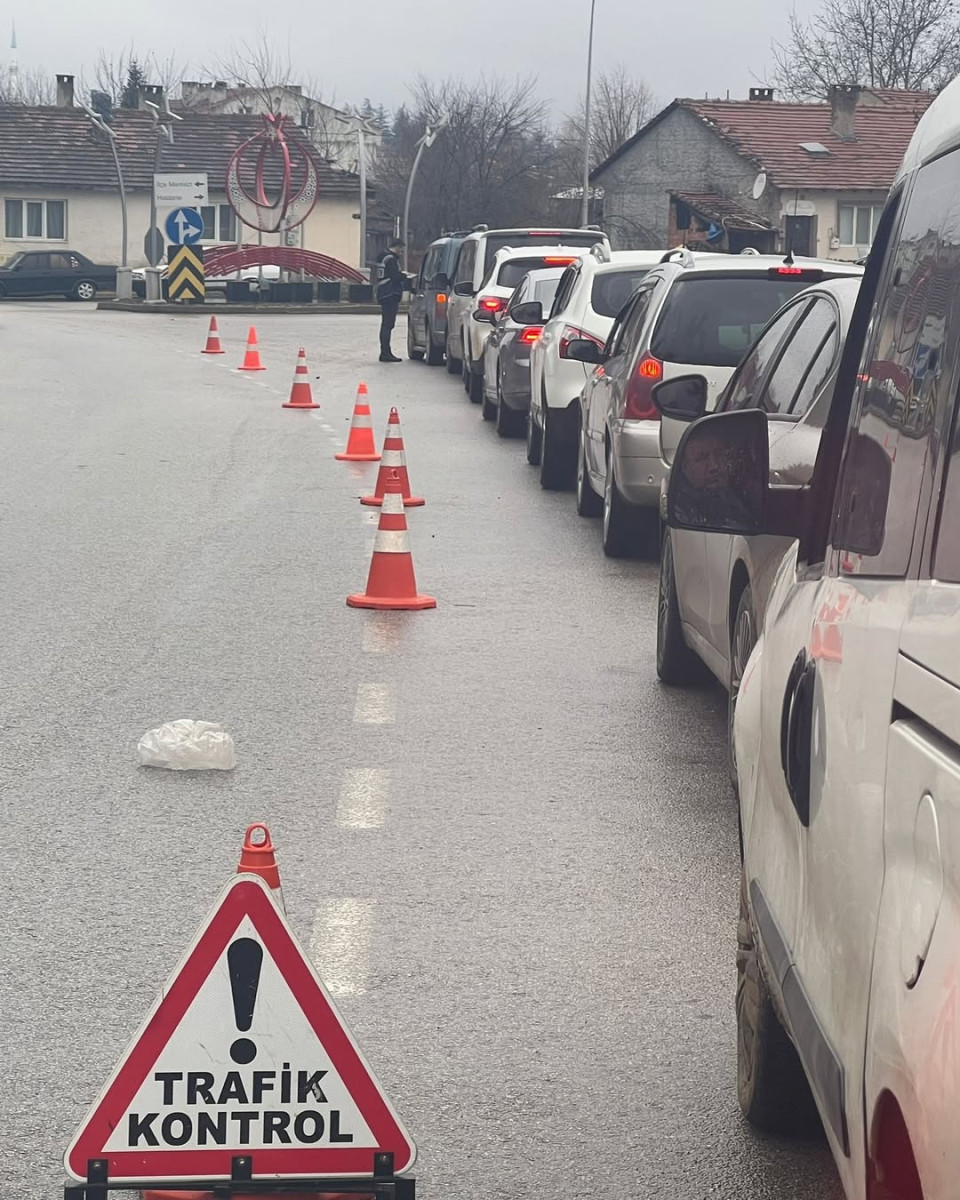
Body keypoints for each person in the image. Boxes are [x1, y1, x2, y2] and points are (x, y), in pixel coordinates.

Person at [376, 240, 412, 363]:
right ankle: (385, 353)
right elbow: (395, 277)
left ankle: (385, 351)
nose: (402, 251)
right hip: (390, 293)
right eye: (401, 248)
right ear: (396, 247)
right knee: (388, 324)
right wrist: (405, 276)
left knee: (386, 324)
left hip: (383, 293)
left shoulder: (383, 257)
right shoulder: (391, 260)